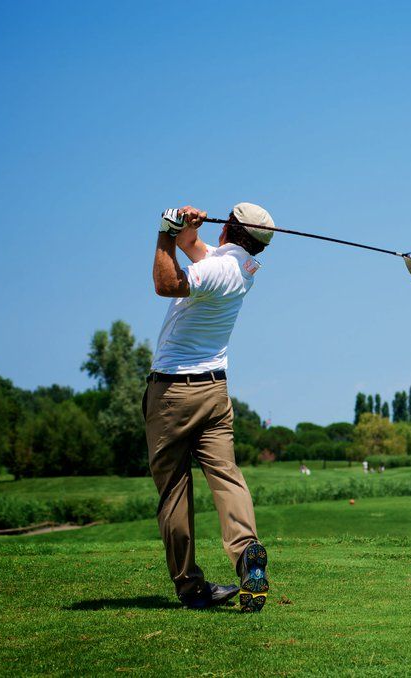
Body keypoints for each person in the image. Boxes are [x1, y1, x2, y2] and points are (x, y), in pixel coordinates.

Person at [143, 203, 273, 612]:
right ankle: (247, 553)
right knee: (227, 477)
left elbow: (166, 283)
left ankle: (190, 586)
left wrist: (165, 232)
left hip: (173, 395)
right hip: (215, 393)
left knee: (174, 492)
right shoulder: (242, 268)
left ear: (230, 228)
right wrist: (184, 227)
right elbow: (195, 248)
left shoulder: (217, 270)